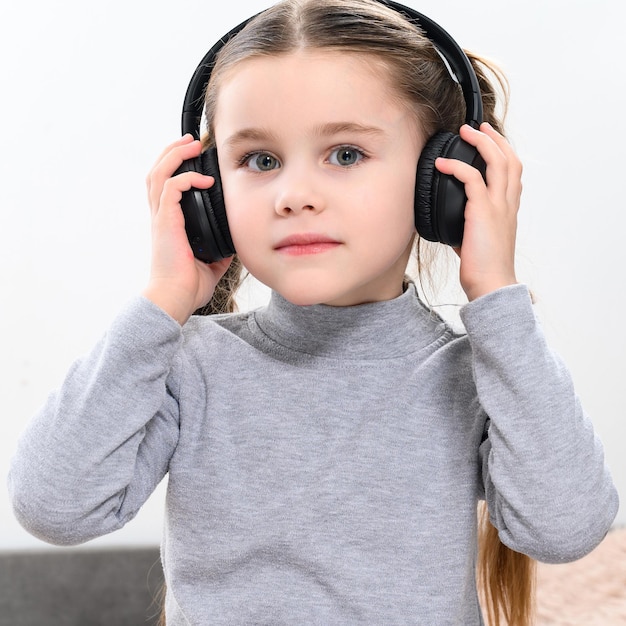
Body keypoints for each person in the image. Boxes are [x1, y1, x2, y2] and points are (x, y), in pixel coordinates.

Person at [9, 1, 618, 625]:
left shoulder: (473, 373)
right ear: (208, 195)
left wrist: (496, 293)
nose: (294, 196)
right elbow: (54, 506)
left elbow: (565, 527)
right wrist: (163, 301)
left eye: (346, 154)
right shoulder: (191, 362)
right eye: (260, 161)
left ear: (446, 181)